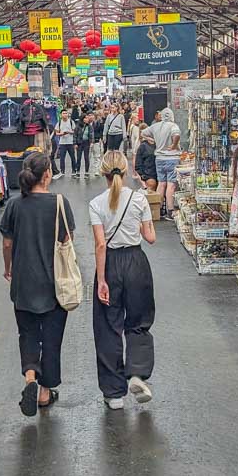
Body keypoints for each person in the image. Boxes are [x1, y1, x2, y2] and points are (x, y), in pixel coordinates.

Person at [0, 152, 77, 417]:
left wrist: (8, 269)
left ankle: (30, 378)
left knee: (28, 332)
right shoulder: (59, 203)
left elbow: (7, 243)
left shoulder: (14, 205)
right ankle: (45, 393)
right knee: (52, 338)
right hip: (55, 282)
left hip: (24, 281)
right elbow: (68, 240)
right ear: (47, 175)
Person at [89, 150, 157, 410]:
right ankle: (138, 373)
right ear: (126, 171)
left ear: (103, 173)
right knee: (139, 321)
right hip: (136, 263)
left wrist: (102, 279)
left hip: (111, 264)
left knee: (108, 327)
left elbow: (100, 244)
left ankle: (114, 393)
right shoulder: (139, 199)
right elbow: (150, 237)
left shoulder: (96, 204)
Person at [143, 108, 181, 220]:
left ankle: (158, 209)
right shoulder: (173, 126)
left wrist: (150, 139)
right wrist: (174, 145)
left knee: (161, 183)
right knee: (171, 185)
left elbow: (143, 132)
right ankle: (170, 211)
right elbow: (177, 135)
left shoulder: (155, 126)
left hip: (159, 158)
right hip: (172, 158)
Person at [55, 109, 77, 178]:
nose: (65, 114)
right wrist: (61, 133)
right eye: (63, 113)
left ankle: (74, 170)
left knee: (73, 157)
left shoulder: (71, 122)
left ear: (68, 114)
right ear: (61, 115)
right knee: (62, 158)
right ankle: (62, 171)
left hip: (70, 142)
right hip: (62, 143)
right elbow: (56, 133)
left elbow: (75, 131)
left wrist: (69, 132)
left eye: (66, 113)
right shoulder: (59, 122)